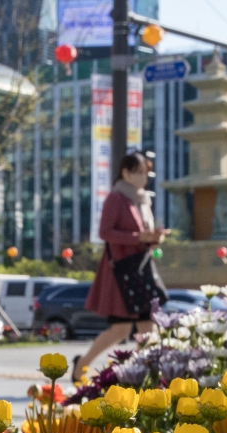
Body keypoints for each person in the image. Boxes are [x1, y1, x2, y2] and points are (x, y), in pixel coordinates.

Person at [72, 152, 169, 384]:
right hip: (121, 270)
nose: (144, 177)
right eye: (139, 172)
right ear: (125, 173)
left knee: (148, 325)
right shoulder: (116, 198)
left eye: (146, 173)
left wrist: (154, 237)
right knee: (121, 328)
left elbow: (141, 237)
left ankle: (144, 375)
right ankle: (82, 365)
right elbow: (105, 232)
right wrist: (140, 237)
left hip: (141, 268)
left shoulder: (142, 200)